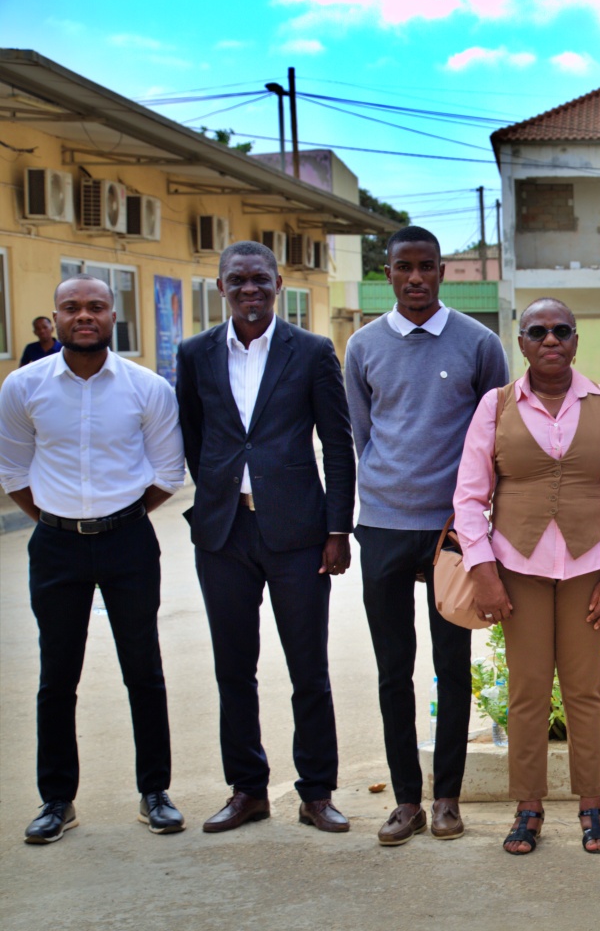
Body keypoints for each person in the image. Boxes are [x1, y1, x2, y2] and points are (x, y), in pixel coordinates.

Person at [175, 241, 356, 835]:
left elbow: (336, 443)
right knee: (234, 668)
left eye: (259, 280)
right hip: (224, 533)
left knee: (309, 667)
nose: (249, 290)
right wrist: (218, 498)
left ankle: (316, 793)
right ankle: (248, 790)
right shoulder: (195, 354)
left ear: (278, 283)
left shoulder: (310, 352)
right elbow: (196, 439)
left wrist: (336, 528)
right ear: (220, 285)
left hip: (299, 535)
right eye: (237, 281)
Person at [0, 276, 186, 843]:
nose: (84, 315)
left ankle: (154, 792)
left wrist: (116, 518)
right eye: (71, 307)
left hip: (129, 541)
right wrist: (61, 522)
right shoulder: (22, 387)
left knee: (144, 671)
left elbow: (167, 474)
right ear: (54, 316)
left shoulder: (146, 387)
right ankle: (57, 800)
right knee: (57, 676)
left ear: (113, 316)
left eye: (96, 307)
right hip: (55, 545)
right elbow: (12, 472)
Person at [454, 298, 600, 855]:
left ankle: (592, 802)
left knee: (585, 692)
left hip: (591, 567)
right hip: (518, 569)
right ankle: (528, 804)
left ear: (576, 339)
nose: (551, 339)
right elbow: (469, 496)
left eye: (562, 330)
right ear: (522, 343)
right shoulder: (496, 406)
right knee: (528, 691)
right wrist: (483, 569)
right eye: (538, 331)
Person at [345, 225, 509, 846]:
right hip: (384, 525)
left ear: (443, 272)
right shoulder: (362, 346)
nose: (415, 278)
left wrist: (480, 515)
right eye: (403, 267)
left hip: (453, 531)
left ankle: (447, 798)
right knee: (394, 668)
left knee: (452, 666)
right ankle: (406, 800)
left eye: (427, 267)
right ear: (387, 272)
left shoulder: (478, 343)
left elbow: (494, 431)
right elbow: (363, 433)